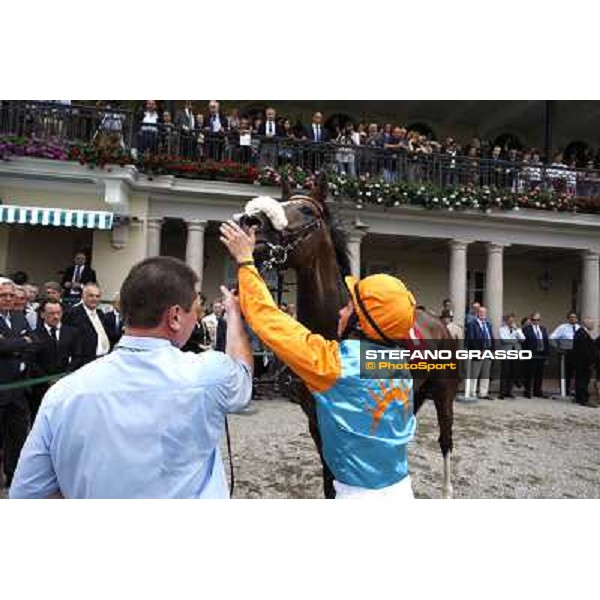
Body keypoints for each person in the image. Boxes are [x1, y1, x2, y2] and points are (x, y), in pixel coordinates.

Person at [10, 256, 253, 499]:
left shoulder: (64, 393)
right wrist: (233, 315)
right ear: (175, 316)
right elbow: (241, 370)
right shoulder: (208, 373)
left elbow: (28, 493)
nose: (197, 319)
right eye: (196, 311)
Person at [220, 221, 416, 499]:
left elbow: (270, 321)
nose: (340, 312)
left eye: (349, 307)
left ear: (362, 322)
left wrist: (244, 260)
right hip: (400, 489)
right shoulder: (396, 362)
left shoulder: (335, 365)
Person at [0, 278, 35, 489]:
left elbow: (34, 342)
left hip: (18, 389)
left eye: (11, 295)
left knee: (17, 437)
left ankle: (13, 478)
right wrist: (20, 342)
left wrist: (13, 344)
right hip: (1, 387)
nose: (8, 299)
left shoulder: (19, 316)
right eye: (3, 295)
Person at [28, 299, 82, 423]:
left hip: (66, 385)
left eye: (58, 313)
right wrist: (47, 379)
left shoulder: (72, 332)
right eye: (51, 313)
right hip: (41, 388)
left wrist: (64, 377)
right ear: (42, 314)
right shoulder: (34, 335)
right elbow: (31, 362)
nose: (56, 316)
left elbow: (78, 356)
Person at [62, 283, 111, 365]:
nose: (94, 299)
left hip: (103, 360)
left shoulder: (100, 314)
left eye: (97, 296)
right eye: (91, 296)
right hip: (85, 363)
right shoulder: (72, 313)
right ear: (83, 296)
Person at [465, 305, 494, 399]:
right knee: (475, 373)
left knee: (486, 373)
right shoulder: (472, 324)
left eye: (484, 313)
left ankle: (483, 393)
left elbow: (491, 337)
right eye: (481, 312)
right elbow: (472, 338)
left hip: (488, 351)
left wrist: (492, 350)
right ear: (477, 313)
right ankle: (472, 392)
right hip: (478, 351)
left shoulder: (488, 324)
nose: (483, 314)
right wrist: (478, 350)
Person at [549, 311, 580, 396]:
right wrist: (558, 348)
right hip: (566, 352)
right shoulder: (562, 327)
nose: (573, 319)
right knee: (566, 373)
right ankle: (564, 391)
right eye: (571, 317)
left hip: (577, 353)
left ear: (577, 319)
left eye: (574, 317)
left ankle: (575, 391)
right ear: (568, 318)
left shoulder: (579, 328)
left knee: (577, 373)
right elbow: (551, 337)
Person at [521, 312, 550, 398]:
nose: (536, 321)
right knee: (529, 373)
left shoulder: (543, 329)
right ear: (531, 319)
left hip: (541, 353)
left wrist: (547, 355)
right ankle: (527, 391)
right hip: (531, 353)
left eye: (538, 320)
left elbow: (546, 342)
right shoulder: (526, 329)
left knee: (539, 373)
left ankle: (537, 391)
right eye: (534, 320)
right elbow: (524, 343)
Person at [498, 313, 525, 399]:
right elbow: (504, 339)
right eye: (509, 321)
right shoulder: (502, 329)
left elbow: (523, 339)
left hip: (515, 352)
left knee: (513, 373)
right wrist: (516, 340)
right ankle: (502, 392)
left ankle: (509, 391)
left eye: (512, 320)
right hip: (506, 352)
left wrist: (516, 330)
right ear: (506, 321)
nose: (511, 322)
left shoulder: (518, 329)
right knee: (505, 373)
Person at [572, 317, 597, 407]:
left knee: (581, 380)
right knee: (583, 380)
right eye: (592, 323)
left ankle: (579, 398)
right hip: (583, 363)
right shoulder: (582, 334)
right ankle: (583, 399)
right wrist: (590, 363)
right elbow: (585, 351)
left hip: (582, 362)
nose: (593, 325)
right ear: (586, 324)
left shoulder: (583, 332)